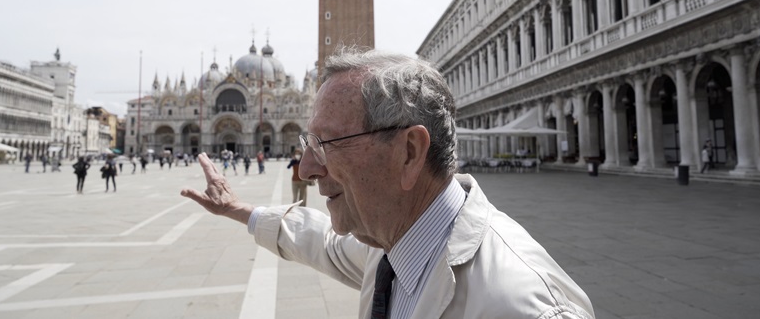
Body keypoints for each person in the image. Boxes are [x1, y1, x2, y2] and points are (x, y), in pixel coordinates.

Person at [182, 49, 594, 319]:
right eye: (309, 144)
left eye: (326, 144)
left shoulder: (526, 308)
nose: (306, 168)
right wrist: (238, 210)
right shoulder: (394, 243)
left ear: (410, 152)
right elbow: (322, 241)